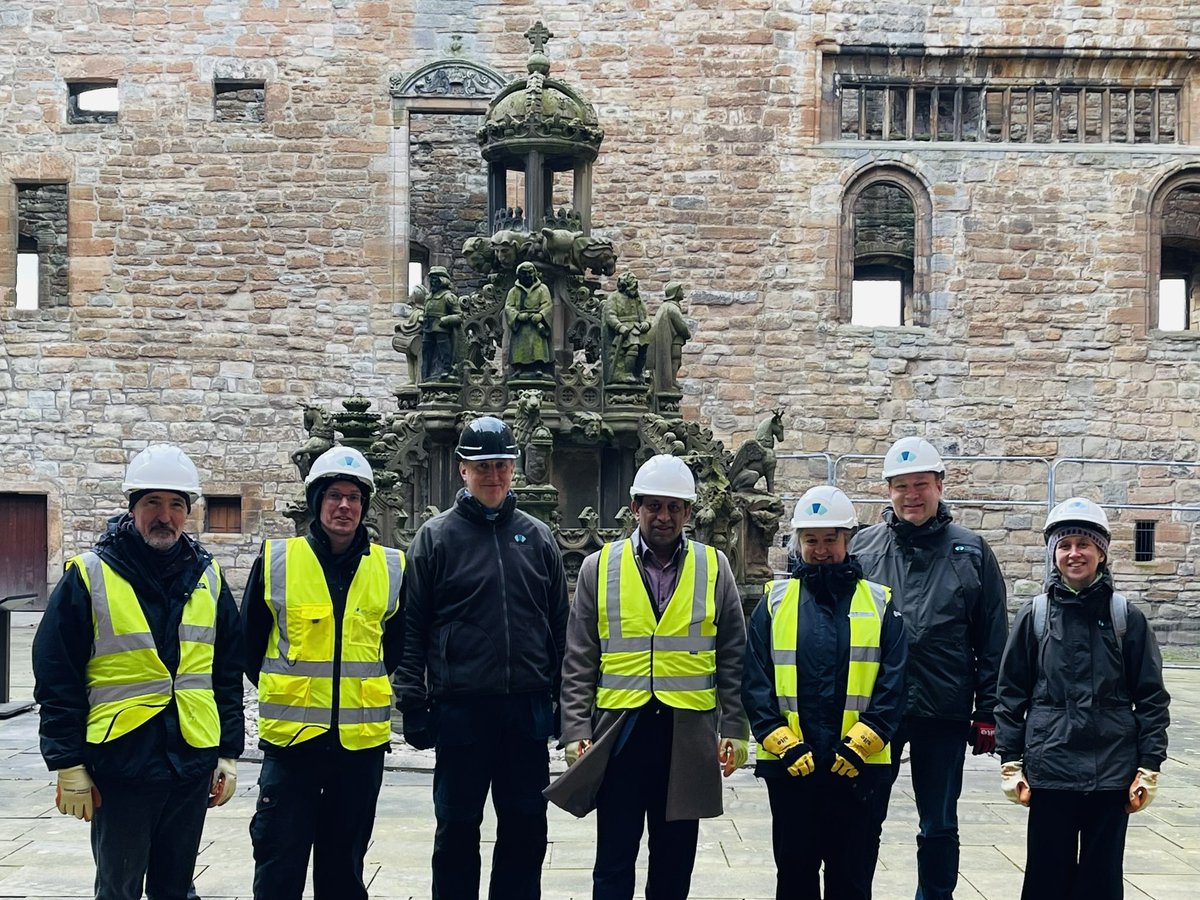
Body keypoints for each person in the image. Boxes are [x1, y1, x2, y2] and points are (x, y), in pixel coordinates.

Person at [33, 444, 243, 900]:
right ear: (132, 509)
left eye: (175, 505)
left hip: (190, 761)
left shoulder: (208, 577)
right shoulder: (89, 575)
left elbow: (225, 671)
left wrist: (228, 751)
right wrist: (67, 762)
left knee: (176, 889)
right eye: (152, 503)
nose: (164, 515)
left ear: (188, 513)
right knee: (119, 889)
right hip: (122, 762)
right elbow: (56, 675)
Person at [550, 454, 749, 900]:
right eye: (654, 506)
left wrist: (735, 727)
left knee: (674, 863)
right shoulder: (598, 568)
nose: (663, 516)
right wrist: (575, 729)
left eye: (674, 507)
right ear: (635, 507)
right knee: (614, 861)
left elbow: (734, 655)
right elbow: (580, 657)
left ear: (688, 512)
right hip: (621, 734)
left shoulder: (715, 567)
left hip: (687, 736)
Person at [395, 415, 569, 900]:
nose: (494, 475)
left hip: (526, 712)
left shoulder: (537, 538)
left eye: (502, 466)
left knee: (526, 827)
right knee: (456, 828)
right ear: (462, 470)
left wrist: (563, 703)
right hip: (461, 710)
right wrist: (412, 701)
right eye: (483, 466)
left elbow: (560, 626)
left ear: (514, 470)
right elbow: (413, 626)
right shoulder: (435, 538)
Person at [242, 445, 405, 900]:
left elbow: (394, 649)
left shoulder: (391, 567)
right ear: (317, 501)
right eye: (334, 495)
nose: (344, 506)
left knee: (344, 871)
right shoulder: (278, 560)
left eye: (354, 497)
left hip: (359, 748)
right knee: (278, 864)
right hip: (292, 746)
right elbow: (250, 645)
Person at [849, 436, 1008, 900]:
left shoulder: (971, 551)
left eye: (921, 484)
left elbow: (992, 634)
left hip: (943, 707)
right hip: (877, 710)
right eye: (901, 486)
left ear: (940, 485)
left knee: (938, 823)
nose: (911, 495)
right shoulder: (863, 549)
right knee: (863, 817)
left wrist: (989, 710)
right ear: (888, 490)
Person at [995, 498, 1170, 900]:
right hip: (1050, 770)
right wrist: (1010, 761)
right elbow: (1010, 694)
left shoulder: (1126, 618)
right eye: (1065, 545)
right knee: (1045, 880)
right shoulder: (1035, 616)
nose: (1074, 553)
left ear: (1101, 552)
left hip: (1111, 773)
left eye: (1084, 544)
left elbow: (1151, 697)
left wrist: (1149, 765)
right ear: (1054, 554)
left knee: (1101, 880)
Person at [743, 485, 907, 900]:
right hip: (791, 766)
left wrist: (859, 745)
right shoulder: (775, 602)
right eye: (811, 540)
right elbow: (756, 679)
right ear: (798, 543)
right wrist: (783, 744)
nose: (820, 549)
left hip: (859, 769)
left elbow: (894, 683)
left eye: (830, 539)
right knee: (795, 877)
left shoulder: (879, 603)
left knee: (851, 880)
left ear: (848, 540)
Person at [505, 260, 554, 377]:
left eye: (530, 272)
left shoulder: (543, 289)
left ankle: (538, 366)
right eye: (524, 273)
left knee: (537, 346)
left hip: (535, 323)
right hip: (522, 324)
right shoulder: (514, 291)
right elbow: (508, 307)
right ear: (519, 275)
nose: (527, 275)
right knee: (520, 346)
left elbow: (547, 305)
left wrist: (541, 315)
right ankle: (520, 367)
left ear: (535, 273)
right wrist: (517, 315)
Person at [601, 271, 650, 384]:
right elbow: (610, 314)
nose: (635, 289)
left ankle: (637, 373)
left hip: (638, 329)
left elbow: (645, 315)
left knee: (642, 350)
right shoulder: (614, 297)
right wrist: (619, 326)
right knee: (633, 348)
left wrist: (646, 323)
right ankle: (626, 373)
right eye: (632, 285)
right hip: (625, 330)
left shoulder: (637, 298)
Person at [420, 266, 463, 381]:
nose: (432, 282)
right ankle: (426, 373)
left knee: (444, 351)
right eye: (431, 279)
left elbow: (459, 316)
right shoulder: (429, 297)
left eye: (435, 279)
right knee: (426, 352)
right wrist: (422, 318)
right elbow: (425, 312)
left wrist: (446, 320)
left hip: (441, 329)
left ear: (442, 280)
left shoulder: (448, 297)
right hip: (428, 328)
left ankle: (446, 370)